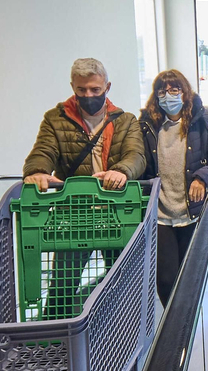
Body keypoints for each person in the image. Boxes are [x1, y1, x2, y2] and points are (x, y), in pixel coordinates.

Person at [22, 58, 146, 316]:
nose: (88, 95)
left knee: (125, 281)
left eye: (94, 90)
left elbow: (136, 156)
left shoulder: (125, 121)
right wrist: (37, 172)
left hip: (115, 213)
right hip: (74, 215)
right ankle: (55, 345)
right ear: (73, 87)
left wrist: (121, 171)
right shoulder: (55, 119)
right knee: (63, 287)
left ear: (107, 87)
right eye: (81, 90)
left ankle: (122, 332)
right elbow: (43, 151)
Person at [140, 69, 208, 304]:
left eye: (174, 90)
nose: (168, 96)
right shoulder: (147, 126)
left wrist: (201, 178)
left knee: (192, 276)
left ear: (185, 93)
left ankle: (189, 323)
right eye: (162, 91)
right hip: (161, 215)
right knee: (165, 279)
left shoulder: (203, 122)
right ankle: (173, 328)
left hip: (193, 213)